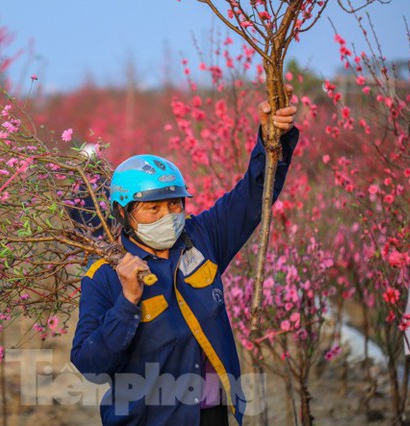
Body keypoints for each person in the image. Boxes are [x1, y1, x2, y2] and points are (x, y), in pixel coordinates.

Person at [71, 95, 298, 426]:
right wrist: (128, 302)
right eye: (154, 208)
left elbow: (253, 194)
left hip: (210, 415)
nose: (169, 216)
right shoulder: (105, 276)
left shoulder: (202, 238)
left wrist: (273, 141)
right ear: (123, 213)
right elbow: (90, 365)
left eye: (176, 204)